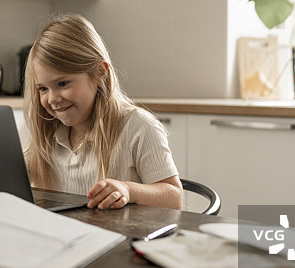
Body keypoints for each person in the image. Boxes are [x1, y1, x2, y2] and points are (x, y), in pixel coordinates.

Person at [23, 14, 183, 210]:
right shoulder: (47, 133)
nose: (52, 98)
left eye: (62, 83)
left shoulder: (138, 127)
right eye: (43, 89)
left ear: (100, 73)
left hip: (121, 236)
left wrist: (129, 190)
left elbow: (174, 197)